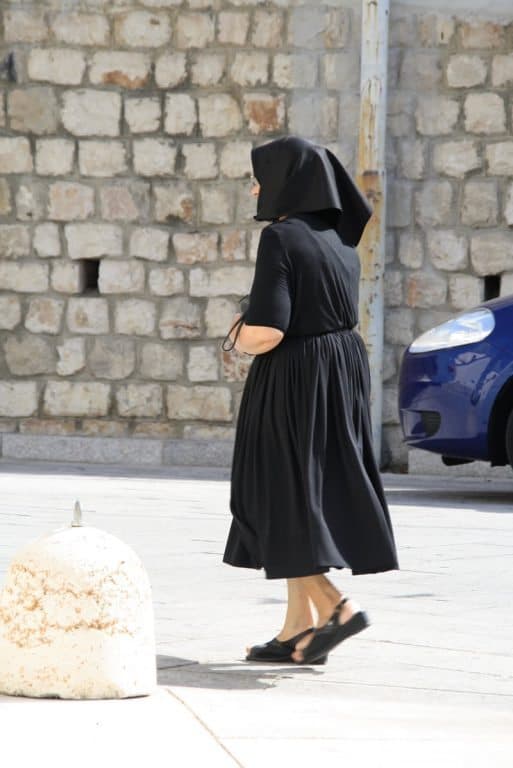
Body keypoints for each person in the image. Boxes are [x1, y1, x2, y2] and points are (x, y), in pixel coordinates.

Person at [222, 136, 399, 665]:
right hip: (340, 371)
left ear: (286, 182)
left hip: (294, 377)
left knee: (276, 495)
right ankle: (298, 629)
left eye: (259, 177)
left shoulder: (280, 239)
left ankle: (336, 608)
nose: (254, 187)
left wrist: (234, 334)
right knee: (302, 495)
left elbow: (269, 330)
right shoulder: (341, 241)